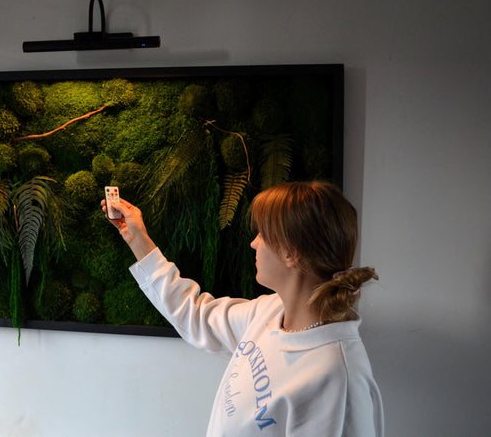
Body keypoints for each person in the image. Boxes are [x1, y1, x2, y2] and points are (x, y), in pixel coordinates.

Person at [101, 180, 383, 437]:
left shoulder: (338, 378)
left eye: (262, 233)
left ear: (291, 253)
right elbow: (195, 314)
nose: (254, 242)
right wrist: (137, 240)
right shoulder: (270, 312)